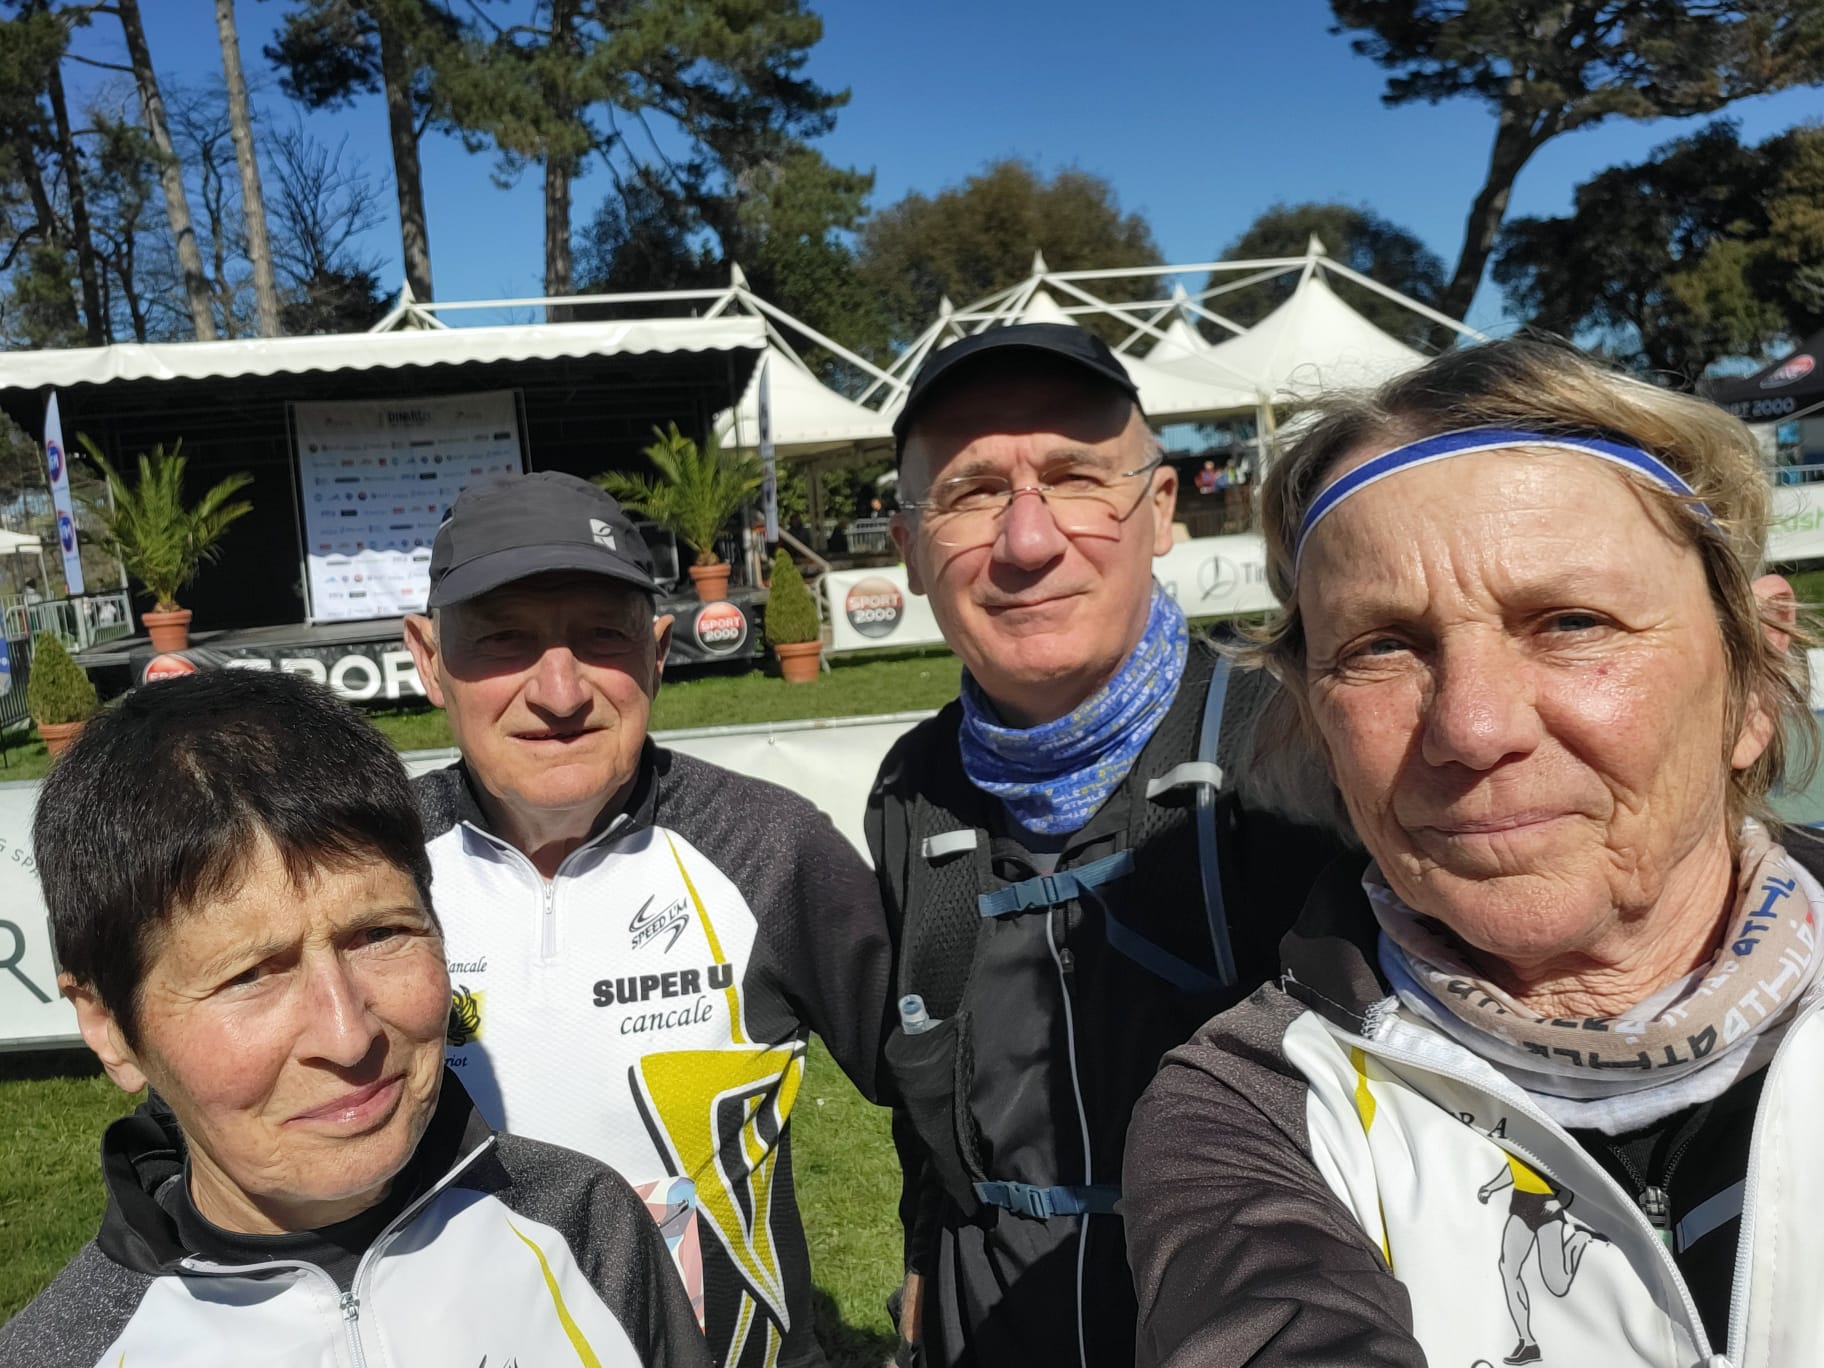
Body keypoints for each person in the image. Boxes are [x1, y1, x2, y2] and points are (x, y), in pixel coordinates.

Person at [1124, 338, 1824, 1368]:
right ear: (1315, 719)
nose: (1472, 727)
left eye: (1571, 622)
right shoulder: (1251, 1109)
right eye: (1382, 645)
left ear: (1754, 680)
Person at [870, 323, 1344, 1368]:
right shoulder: (911, 793)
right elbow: (925, 1085)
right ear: (908, 546)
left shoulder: (1300, 746)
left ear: (1161, 508)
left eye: (1077, 478)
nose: (1027, 540)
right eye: (971, 493)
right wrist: (920, 1263)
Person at [1, 669, 710, 1368]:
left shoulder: (587, 1229)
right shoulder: (65, 1352)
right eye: (250, 975)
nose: (347, 1036)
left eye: (379, 935)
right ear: (109, 1028)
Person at [401, 470, 895, 1368]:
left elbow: (940, 1084)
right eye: (505, 638)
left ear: (658, 652)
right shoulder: (365, 868)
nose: (560, 692)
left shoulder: (769, 848)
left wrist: (935, 1258)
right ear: (428, 660)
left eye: (602, 636)